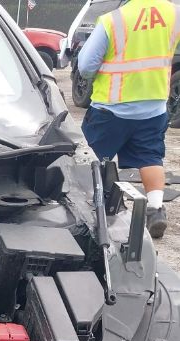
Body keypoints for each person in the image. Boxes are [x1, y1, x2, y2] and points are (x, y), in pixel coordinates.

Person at [78, 0, 180, 238]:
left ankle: (93, 207)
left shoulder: (113, 20)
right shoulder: (175, 14)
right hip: (153, 107)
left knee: (91, 158)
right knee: (150, 157)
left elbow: (86, 65)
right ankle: (155, 210)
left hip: (110, 108)